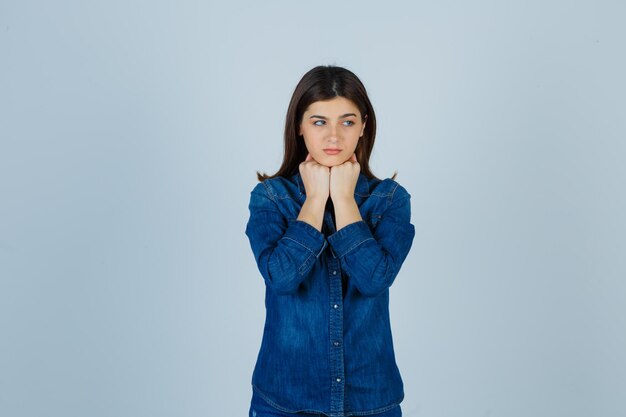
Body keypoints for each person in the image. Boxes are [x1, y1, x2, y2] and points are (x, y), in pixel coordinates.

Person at [245, 65, 416, 417]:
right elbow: (280, 277)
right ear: (300, 126)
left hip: (370, 402)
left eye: (348, 121)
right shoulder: (271, 198)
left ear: (364, 126)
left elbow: (374, 280)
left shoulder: (389, 201)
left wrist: (344, 200)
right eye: (319, 121)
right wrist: (313, 200)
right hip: (284, 402)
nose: (334, 136)